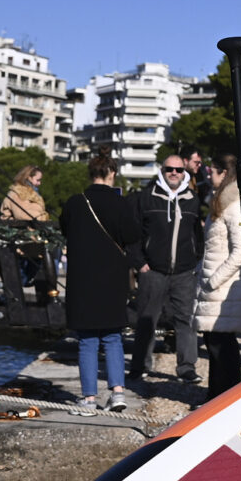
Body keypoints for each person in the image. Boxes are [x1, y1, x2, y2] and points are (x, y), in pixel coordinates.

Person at [59, 152, 142, 410]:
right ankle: (117, 392)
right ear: (112, 173)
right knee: (113, 337)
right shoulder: (121, 204)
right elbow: (132, 234)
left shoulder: (75, 203)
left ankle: (89, 398)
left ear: (90, 174)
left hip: (83, 280)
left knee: (87, 340)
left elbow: (65, 229)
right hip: (113, 279)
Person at [130, 154, 203, 382]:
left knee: (186, 320)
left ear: (185, 173)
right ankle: (140, 366)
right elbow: (133, 234)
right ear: (162, 170)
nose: (174, 173)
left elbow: (198, 236)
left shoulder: (192, 199)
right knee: (147, 320)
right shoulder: (147, 198)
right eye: (169, 169)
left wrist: (195, 262)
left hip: (184, 272)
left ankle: (186, 368)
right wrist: (139, 262)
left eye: (179, 170)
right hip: (153, 270)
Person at [192, 163, 241, 397]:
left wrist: (213, 280)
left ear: (224, 174)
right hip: (213, 286)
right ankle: (216, 395)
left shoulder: (234, 204)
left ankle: (223, 397)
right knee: (215, 342)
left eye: (212, 171)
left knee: (221, 345)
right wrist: (201, 271)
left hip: (222, 289)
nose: (207, 175)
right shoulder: (220, 202)